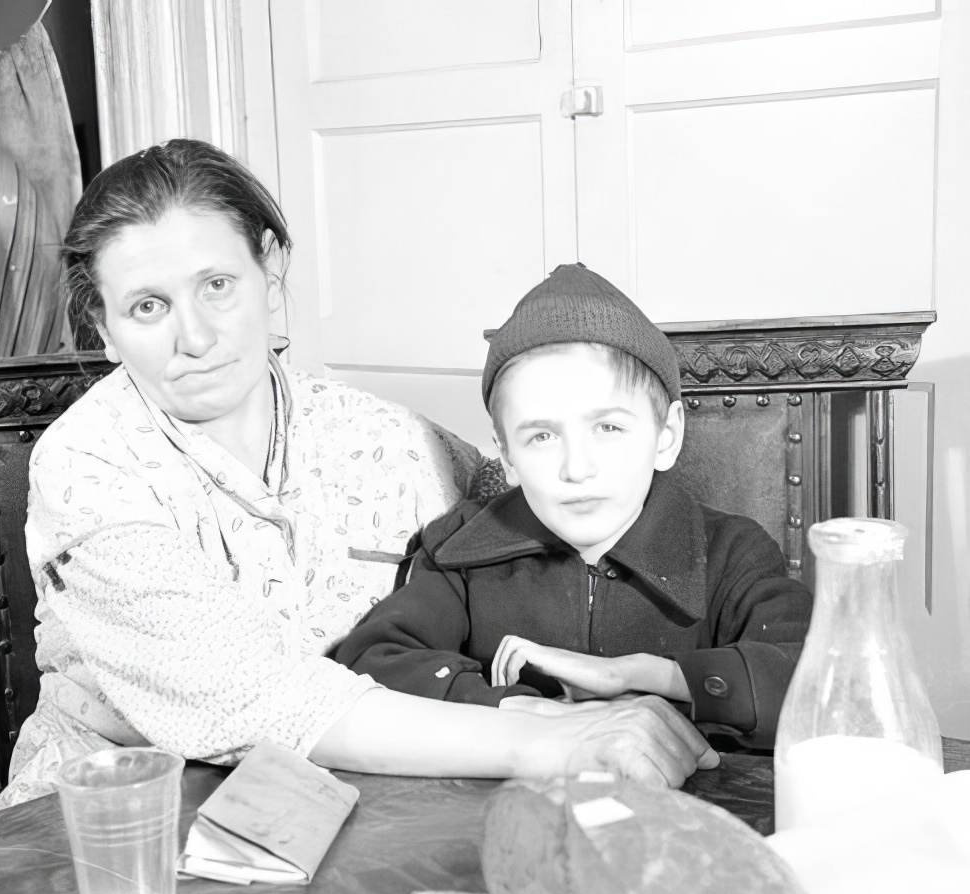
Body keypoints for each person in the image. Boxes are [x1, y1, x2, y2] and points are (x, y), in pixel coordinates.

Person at [0, 140, 718, 810]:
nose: (196, 337)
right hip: (116, 817)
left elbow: (543, 517)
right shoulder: (85, 467)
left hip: (359, 804)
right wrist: (557, 739)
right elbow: (255, 696)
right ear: (102, 326)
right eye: (148, 307)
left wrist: (639, 672)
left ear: (269, 270)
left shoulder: (383, 437)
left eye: (217, 284)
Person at [333, 263, 813, 748]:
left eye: (608, 428)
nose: (577, 468)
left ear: (666, 436)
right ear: (507, 456)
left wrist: (638, 675)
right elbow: (371, 662)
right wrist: (523, 712)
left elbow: (819, 682)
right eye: (541, 436)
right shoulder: (460, 551)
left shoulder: (732, 553)